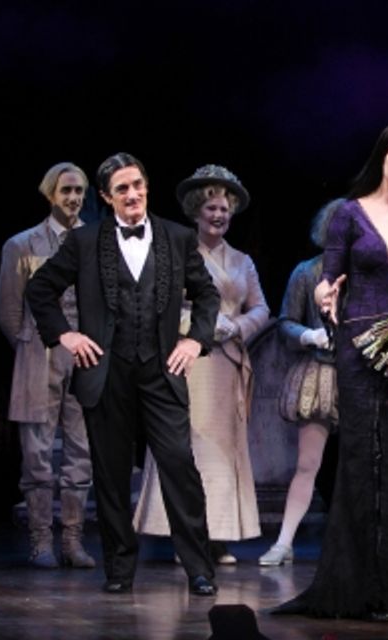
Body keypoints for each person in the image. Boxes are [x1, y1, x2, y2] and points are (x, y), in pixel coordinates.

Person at [273, 122, 388, 620]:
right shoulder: (350, 214)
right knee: (359, 458)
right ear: (383, 157)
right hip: (358, 345)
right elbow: (327, 277)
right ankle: (356, 586)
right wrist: (324, 294)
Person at [26, 152, 221, 596]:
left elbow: (207, 294)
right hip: (106, 372)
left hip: (161, 371)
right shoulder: (84, 241)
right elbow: (40, 289)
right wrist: (66, 335)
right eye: (122, 189)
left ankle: (198, 568)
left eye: (137, 185)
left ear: (146, 186)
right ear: (106, 196)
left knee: (178, 465)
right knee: (111, 475)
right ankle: (118, 570)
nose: (132, 194)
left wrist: (195, 340)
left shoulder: (177, 237)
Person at [134, 164, 267, 564]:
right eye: (211, 208)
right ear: (196, 210)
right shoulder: (176, 252)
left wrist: (236, 326)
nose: (219, 215)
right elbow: (158, 305)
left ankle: (219, 536)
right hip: (190, 361)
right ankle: (188, 537)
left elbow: (261, 308)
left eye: (225, 209)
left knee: (225, 450)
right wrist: (202, 325)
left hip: (228, 364)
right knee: (192, 446)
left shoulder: (242, 260)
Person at [0, 162, 96, 569]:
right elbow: (8, 310)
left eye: (79, 191)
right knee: (37, 452)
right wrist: (30, 347)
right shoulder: (22, 245)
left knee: (81, 449)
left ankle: (72, 539)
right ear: (50, 193)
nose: (73, 198)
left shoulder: (96, 241)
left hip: (85, 355)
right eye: (66, 190)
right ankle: (41, 539)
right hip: (39, 352)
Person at [259, 200, 343, 567]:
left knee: (364, 467)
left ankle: (363, 544)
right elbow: (286, 322)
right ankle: (284, 542)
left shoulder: (370, 276)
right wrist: (309, 335)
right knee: (308, 463)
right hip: (321, 372)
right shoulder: (308, 272)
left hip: (360, 376)